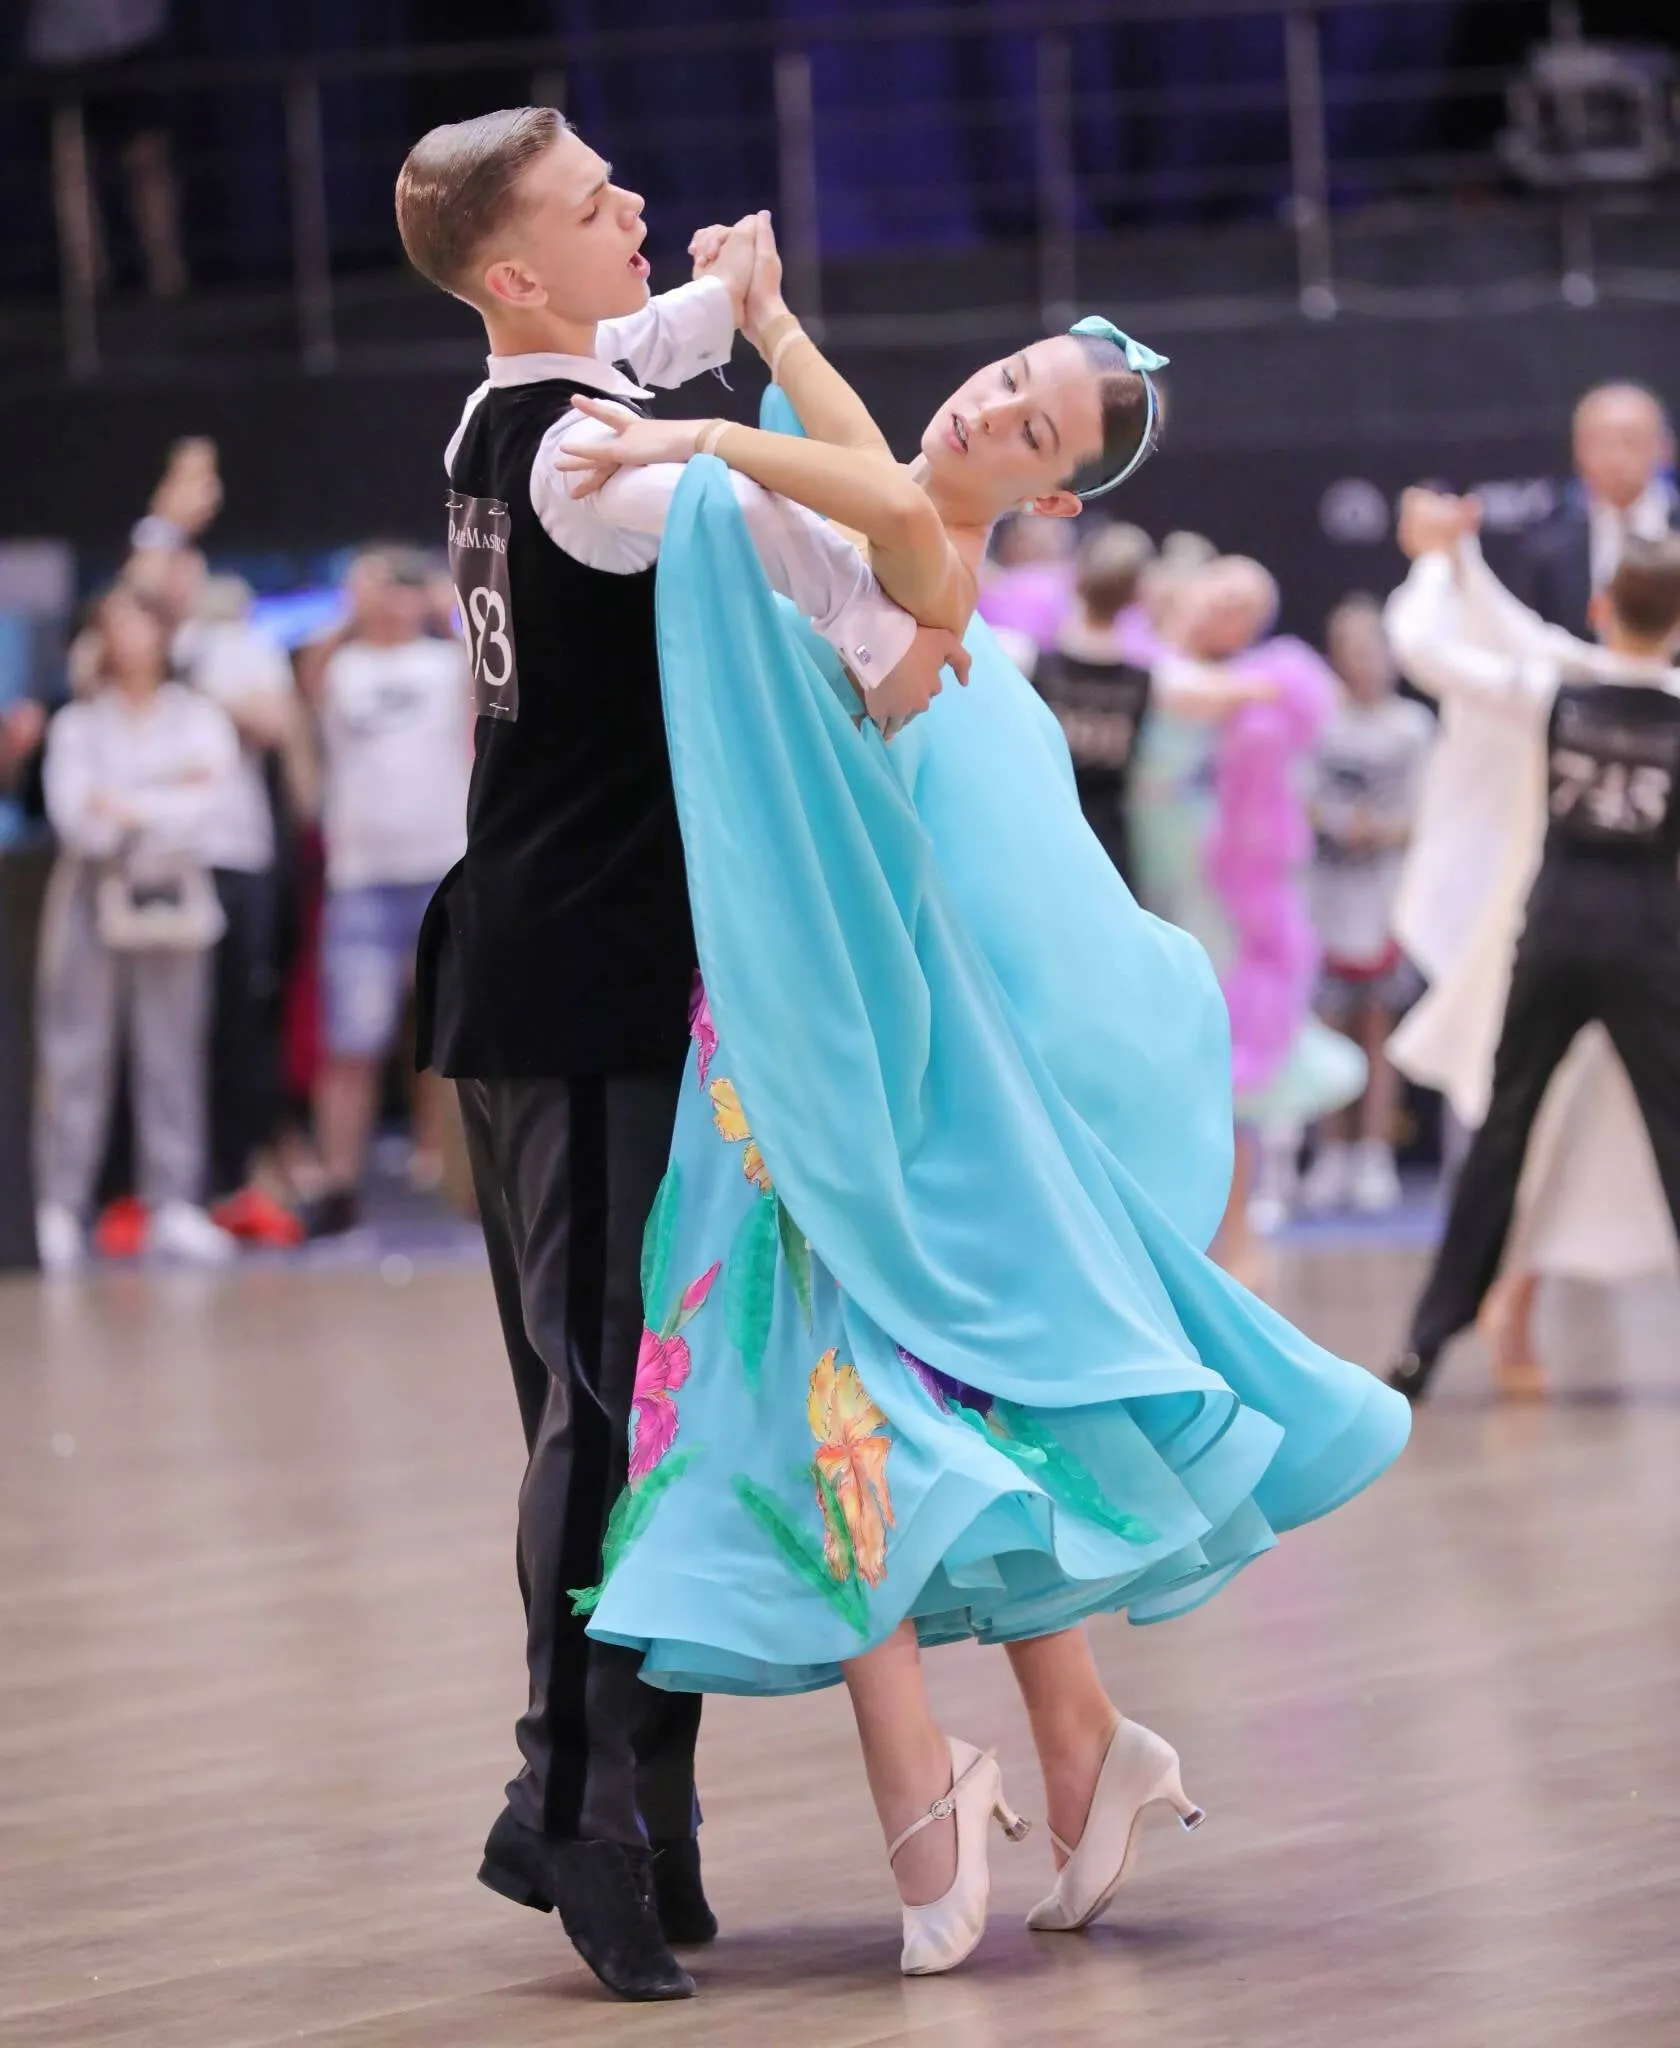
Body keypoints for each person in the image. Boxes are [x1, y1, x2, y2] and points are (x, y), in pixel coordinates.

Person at [555, 222, 1409, 1979]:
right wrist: (773, 329)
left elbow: (873, 510)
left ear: (1058, 497)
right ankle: (1069, 1745)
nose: (993, 408)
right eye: (1010, 377)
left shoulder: (921, 565)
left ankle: (948, 1774)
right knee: (904, 1389)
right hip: (790, 1024)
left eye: (1032, 426)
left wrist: (702, 424)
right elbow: (867, 467)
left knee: (875, 1386)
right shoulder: (888, 511)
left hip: (863, 1042)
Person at [394, 109, 961, 2004]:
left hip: (582, 976)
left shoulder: (519, 404)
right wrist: (777, 390)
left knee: (647, 1397)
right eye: (591, 206)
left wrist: (730, 297)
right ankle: (570, 1803)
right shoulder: (598, 472)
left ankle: (644, 1798)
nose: (633, 206)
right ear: (513, 276)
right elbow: (847, 513)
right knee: (596, 1399)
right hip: (576, 987)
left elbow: (633, 346)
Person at [1384, 492, 1680, 1401]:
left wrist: (1440, 560)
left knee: (1503, 1133)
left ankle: (1426, 1345)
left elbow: (1426, 649)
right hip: (1649, 947)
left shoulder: (1555, 690)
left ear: (1599, 607)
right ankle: (1444, 1333)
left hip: (1552, 936)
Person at [34, 586, 239, 1272]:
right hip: (95, 894)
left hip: (175, 892)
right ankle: (60, 1205)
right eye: (112, 623)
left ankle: (173, 1203)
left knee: (172, 1049)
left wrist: (130, 804)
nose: (128, 637)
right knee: (77, 1052)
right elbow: (77, 816)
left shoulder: (196, 716)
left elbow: (213, 805)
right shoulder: (79, 725)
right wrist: (162, 795)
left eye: (139, 622)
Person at [302, 547, 473, 1237]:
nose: (391, 599)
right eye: (382, 588)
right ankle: (338, 1184)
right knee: (351, 1042)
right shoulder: (339, 665)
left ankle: (470, 1182)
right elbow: (307, 671)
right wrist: (351, 607)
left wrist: (444, 603)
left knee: (460, 1044)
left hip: (444, 871)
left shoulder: (446, 662)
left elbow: (491, 667)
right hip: (363, 879)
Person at [1299, 595, 1433, 1215]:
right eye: (1350, 650)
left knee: (1380, 1028)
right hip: (1325, 899)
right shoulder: (1318, 719)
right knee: (1328, 1028)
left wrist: (1380, 830)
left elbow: (1428, 815)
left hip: (1386, 901)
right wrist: (1329, 819)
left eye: (1372, 647)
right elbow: (1295, 797)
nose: (1363, 661)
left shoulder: (1412, 727)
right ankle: (1331, 1150)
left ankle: (1374, 1151)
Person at [1031, 522, 1156, 885]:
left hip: (1037, 831)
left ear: (1076, 576)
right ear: (1138, 596)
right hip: (1104, 846)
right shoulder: (1155, 681)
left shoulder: (1024, 658)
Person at [1512, 384, 1675, 638]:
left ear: (1664, 448)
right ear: (1578, 450)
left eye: (1630, 440)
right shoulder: (1547, 550)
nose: (1616, 457)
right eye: (1601, 442)